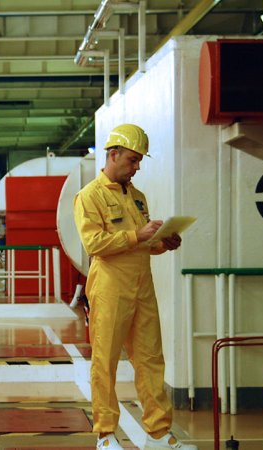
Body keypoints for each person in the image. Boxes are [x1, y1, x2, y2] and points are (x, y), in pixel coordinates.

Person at [73, 124, 195, 450]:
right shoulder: (89, 196)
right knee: (105, 361)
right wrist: (137, 236)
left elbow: (145, 244)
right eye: (132, 159)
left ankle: (158, 434)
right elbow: (94, 244)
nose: (136, 166)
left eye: (139, 160)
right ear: (113, 154)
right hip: (110, 287)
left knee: (151, 360)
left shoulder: (137, 198)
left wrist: (164, 242)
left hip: (142, 286)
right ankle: (105, 435)